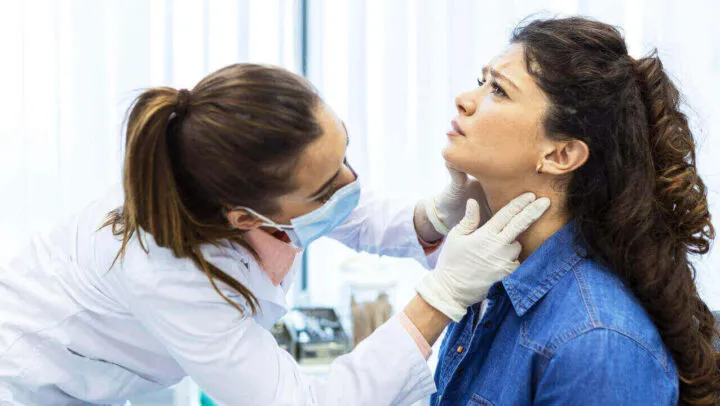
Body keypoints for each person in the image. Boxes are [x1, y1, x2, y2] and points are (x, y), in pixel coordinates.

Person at [0, 64, 550, 405]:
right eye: (327, 185)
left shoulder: (250, 174)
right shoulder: (164, 271)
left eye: (345, 156)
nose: (351, 184)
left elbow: (346, 212)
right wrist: (441, 299)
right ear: (245, 218)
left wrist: (433, 216)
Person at [430, 17, 720, 406]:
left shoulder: (596, 342)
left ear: (560, 154)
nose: (465, 100)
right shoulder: (493, 283)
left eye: (498, 89)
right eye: (481, 81)